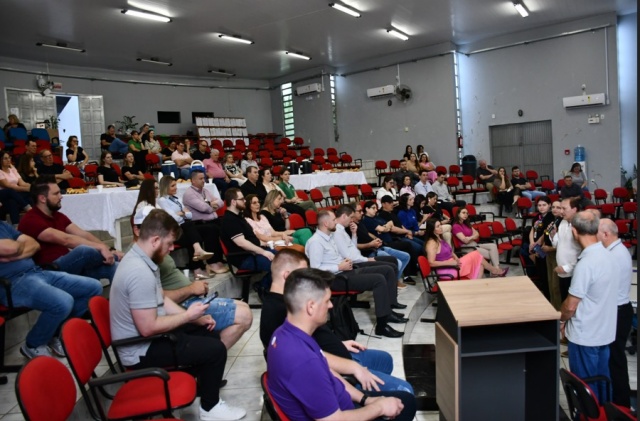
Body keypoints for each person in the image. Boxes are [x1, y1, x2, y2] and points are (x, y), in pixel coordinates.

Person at [109, 208, 246, 420]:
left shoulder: (143, 259)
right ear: (155, 240)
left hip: (147, 338)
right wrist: (188, 316)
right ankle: (210, 408)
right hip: (140, 350)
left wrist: (196, 318)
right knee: (216, 350)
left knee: (208, 334)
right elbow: (147, 328)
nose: (172, 248)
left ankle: (203, 389)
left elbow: (161, 300)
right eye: (169, 243)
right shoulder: (138, 271)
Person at [266, 266, 416, 420]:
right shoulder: (304, 362)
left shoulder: (285, 333)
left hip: (340, 402)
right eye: (327, 301)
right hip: (340, 415)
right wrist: (379, 408)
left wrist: (365, 399)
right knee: (407, 402)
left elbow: (328, 371)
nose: (331, 306)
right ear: (311, 307)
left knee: (403, 399)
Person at [131, 205, 251, 350]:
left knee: (243, 307)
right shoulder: (140, 265)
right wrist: (190, 292)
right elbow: (155, 309)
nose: (171, 248)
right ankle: (211, 353)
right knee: (244, 315)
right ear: (137, 230)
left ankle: (212, 350)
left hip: (183, 303)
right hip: (180, 306)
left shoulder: (151, 255)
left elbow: (159, 297)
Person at [0, 221, 102, 359]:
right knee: (63, 302)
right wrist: (18, 246)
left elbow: (34, 244)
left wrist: (16, 253)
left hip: (36, 272)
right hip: (13, 282)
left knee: (93, 287)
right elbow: (11, 248)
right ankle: (33, 344)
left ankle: (55, 334)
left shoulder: (3, 225)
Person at [305, 210, 406, 338]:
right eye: (333, 220)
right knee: (379, 279)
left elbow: (344, 252)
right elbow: (315, 269)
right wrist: (338, 266)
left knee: (386, 270)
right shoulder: (316, 242)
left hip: (345, 271)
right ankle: (382, 326)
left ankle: (387, 312)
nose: (336, 222)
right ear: (325, 223)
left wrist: (343, 262)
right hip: (334, 279)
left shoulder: (329, 237)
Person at [18, 175, 122, 283]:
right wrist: (102, 248)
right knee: (84, 251)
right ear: (42, 198)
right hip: (50, 269)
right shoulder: (31, 219)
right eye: (56, 194)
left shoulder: (58, 216)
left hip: (70, 264)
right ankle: (118, 258)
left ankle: (118, 263)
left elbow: (83, 234)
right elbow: (66, 240)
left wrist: (110, 249)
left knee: (117, 268)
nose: (61, 196)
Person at [560, 211, 617, 403]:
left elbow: (571, 305)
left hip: (586, 336)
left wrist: (561, 319)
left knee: (585, 389)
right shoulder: (608, 254)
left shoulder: (587, 263)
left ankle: (588, 416)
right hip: (604, 332)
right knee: (602, 383)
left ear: (574, 232)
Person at [597, 218, 633, 408]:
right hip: (617, 309)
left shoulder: (615, 255)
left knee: (616, 360)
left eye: (596, 232)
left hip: (618, 311)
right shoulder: (614, 251)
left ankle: (621, 405)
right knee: (613, 359)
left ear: (606, 234)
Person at [334, 204, 411, 293]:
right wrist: (368, 252)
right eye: (359, 211)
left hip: (372, 250)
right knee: (393, 264)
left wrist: (357, 235)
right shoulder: (341, 230)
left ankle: (393, 282)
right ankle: (392, 284)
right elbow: (350, 255)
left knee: (403, 256)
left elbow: (354, 246)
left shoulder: (355, 225)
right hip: (365, 254)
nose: (362, 213)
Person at [157, 175, 222, 278]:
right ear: (165, 187)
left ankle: (212, 261)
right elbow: (173, 218)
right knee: (191, 232)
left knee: (211, 228)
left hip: (185, 227)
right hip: (174, 231)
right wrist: (183, 213)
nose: (176, 188)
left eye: (175, 185)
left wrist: (181, 213)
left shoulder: (177, 199)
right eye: (173, 186)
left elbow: (190, 215)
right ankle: (197, 267)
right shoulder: (162, 200)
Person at [220, 188, 276, 292]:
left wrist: (264, 244)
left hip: (253, 253)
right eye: (242, 199)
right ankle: (263, 287)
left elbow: (250, 238)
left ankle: (263, 285)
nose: (245, 201)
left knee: (285, 258)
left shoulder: (238, 216)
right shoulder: (229, 220)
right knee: (278, 266)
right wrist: (263, 252)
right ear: (233, 202)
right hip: (244, 258)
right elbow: (242, 243)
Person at [181, 170, 229, 274]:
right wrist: (212, 205)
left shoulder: (205, 191)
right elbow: (204, 208)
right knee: (212, 230)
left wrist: (210, 205)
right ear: (193, 180)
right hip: (199, 223)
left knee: (227, 225)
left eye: (204, 178)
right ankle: (212, 262)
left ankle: (220, 259)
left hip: (212, 220)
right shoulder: (189, 194)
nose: (203, 180)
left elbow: (220, 202)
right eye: (201, 178)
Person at [425, 218, 506, 279]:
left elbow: (450, 252)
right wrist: (450, 263)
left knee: (480, 265)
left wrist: (456, 259)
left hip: (453, 264)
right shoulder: (431, 243)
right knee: (475, 254)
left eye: (440, 225)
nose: (441, 227)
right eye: (438, 226)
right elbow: (431, 263)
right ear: (432, 229)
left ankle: (476, 287)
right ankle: (495, 271)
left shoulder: (440, 238)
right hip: (446, 269)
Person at [361, 199, 419, 281]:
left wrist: (385, 227)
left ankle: (409, 273)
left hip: (390, 239)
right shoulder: (367, 220)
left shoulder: (377, 217)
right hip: (384, 243)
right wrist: (385, 227)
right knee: (407, 244)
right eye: (373, 208)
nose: (376, 210)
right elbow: (382, 229)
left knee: (407, 248)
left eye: (376, 208)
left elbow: (391, 223)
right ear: (367, 209)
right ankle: (411, 270)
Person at [452, 207, 507, 275]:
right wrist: (473, 237)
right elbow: (465, 241)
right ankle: (496, 271)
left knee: (493, 246)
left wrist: (470, 238)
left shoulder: (467, 224)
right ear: (458, 214)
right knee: (492, 254)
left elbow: (477, 234)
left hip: (474, 244)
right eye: (463, 213)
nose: (465, 214)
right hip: (467, 247)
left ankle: (496, 269)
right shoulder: (456, 226)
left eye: (467, 213)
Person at [550, 197, 582, 306]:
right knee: (564, 300)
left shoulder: (580, 226)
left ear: (574, 209)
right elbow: (557, 244)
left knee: (573, 305)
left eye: (564, 208)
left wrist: (567, 268)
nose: (561, 212)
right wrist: (553, 235)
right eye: (561, 208)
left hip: (574, 272)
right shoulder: (563, 222)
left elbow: (584, 252)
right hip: (562, 271)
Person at [527, 196, 553, 299]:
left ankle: (548, 296)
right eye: (539, 205)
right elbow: (532, 230)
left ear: (549, 205)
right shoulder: (537, 217)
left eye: (544, 205)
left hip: (543, 246)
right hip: (536, 245)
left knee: (545, 273)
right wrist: (531, 242)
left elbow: (545, 233)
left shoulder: (551, 217)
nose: (541, 207)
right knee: (540, 272)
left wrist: (537, 244)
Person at [0, 150, 32, 222]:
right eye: (5, 158)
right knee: (10, 191)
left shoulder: (12, 169)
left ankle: (16, 225)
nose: (8, 160)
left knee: (12, 202)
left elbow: (22, 183)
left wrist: (32, 186)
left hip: (14, 194)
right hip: (3, 194)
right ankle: (27, 207)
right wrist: (27, 189)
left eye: (9, 158)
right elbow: (9, 186)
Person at [544, 200, 564, 310]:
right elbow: (547, 235)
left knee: (556, 286)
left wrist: (549, 248)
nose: (555, 209)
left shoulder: (563, 222)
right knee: (550, 284)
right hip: (549, 255)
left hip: (557, 255)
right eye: (553, 207)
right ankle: (552, 307)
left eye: (558, 207)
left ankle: (559, 310)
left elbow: (563, 244)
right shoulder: (553, 220)